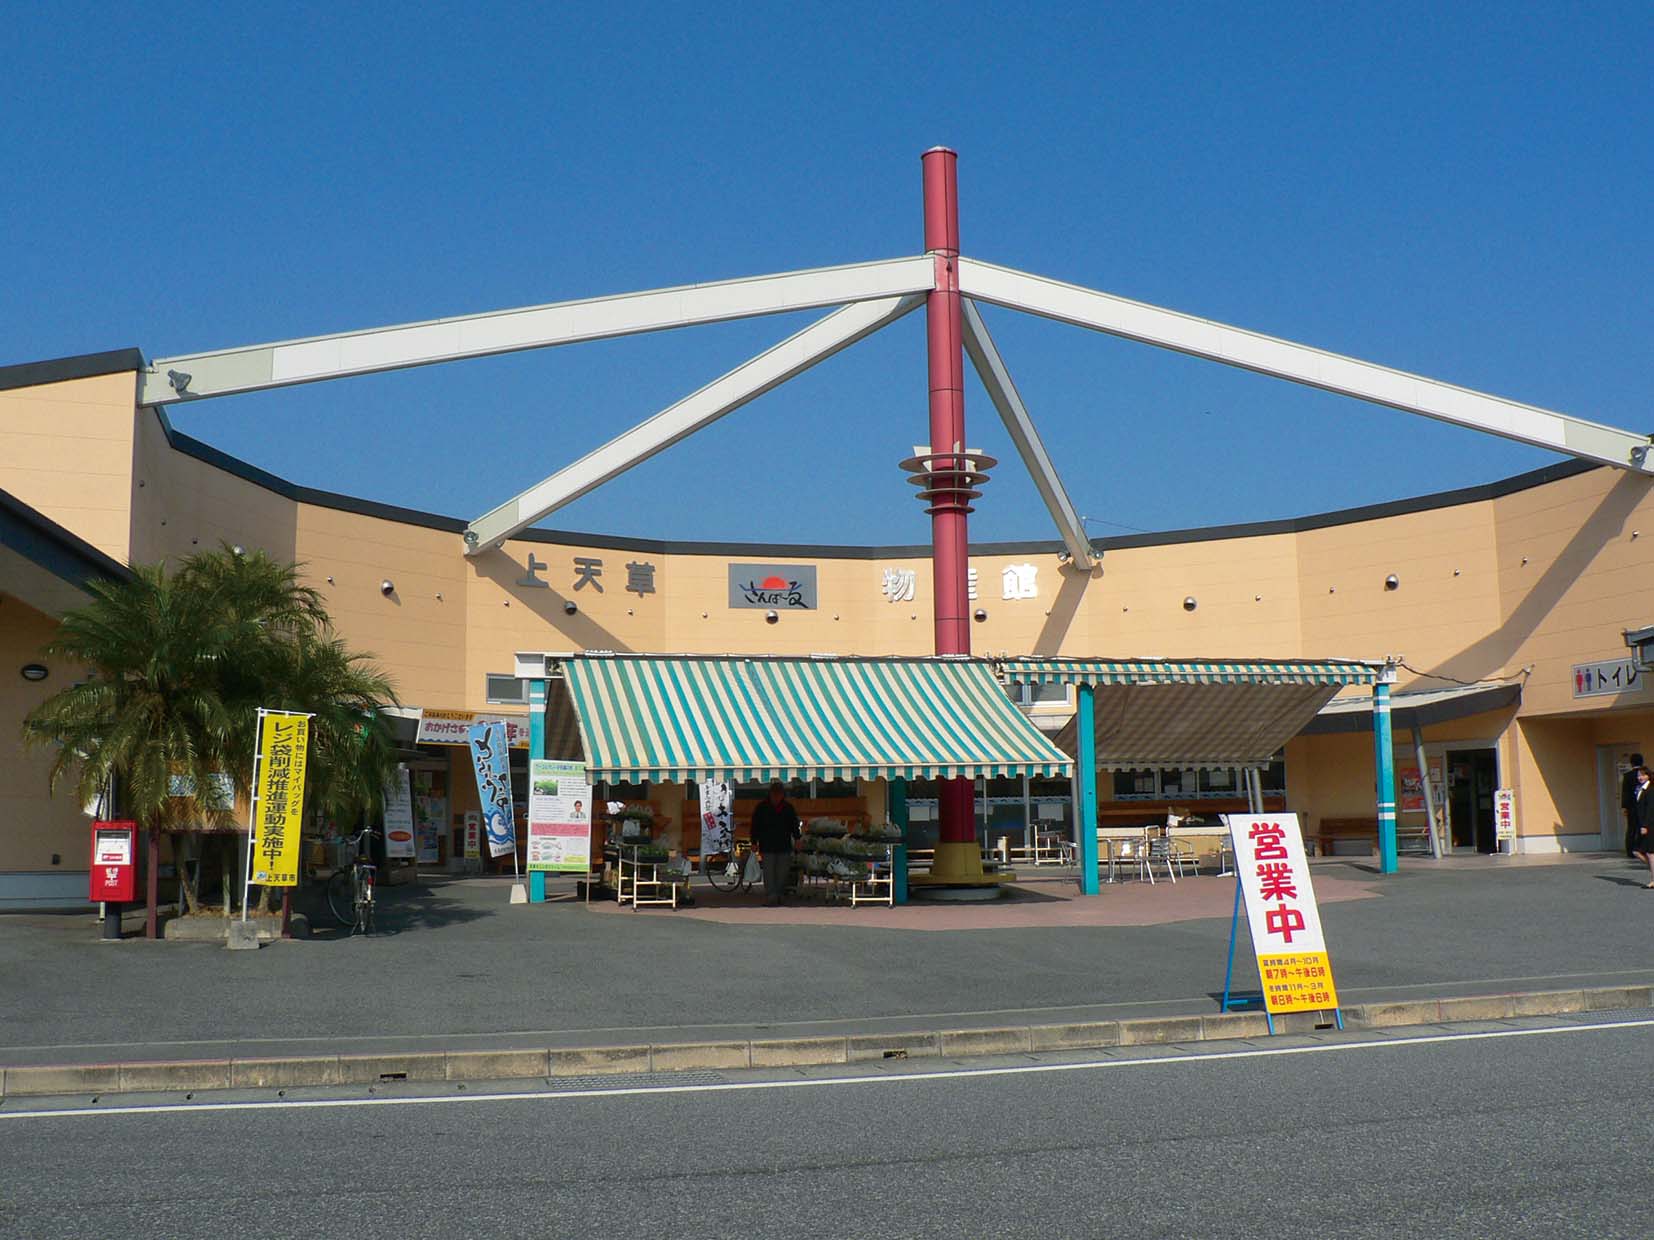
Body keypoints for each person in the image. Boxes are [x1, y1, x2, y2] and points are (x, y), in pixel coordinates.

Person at [749, 780, 801, 905]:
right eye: (775, 794)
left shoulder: (788, 808)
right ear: (770, 794)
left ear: (783, 795)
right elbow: (755, 826)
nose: (777, 796)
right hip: (767, 844)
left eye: (779, 794)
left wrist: (798, 838)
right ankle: (771, 895)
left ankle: (780, 893)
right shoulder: (762, 807)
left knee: (783, 872)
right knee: (769, 872)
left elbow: (794, 825)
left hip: (784, 844)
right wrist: (754, 841)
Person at [1632, 766, 1654, 888]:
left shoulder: (1650, 790)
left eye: (1642, 775)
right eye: (1638, 775)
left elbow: (1650, 810)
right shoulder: (1639, 789)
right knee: (1636, 851)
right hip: (1640, 825)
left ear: (1648, 776)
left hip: (1649, 825)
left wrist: (1645, 825)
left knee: (1650, 852)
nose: (1640, 777)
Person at [1622, 754, 1646, 858]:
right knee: (1643, 826)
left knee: (1631, 828)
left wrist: (1625, 807)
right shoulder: (1646, 774)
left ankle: (1630, 851)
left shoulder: (1627, 776)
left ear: (1631, 763)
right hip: (1644, 806)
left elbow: (1625, 792)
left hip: (1631, 807)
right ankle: (1642, 848)